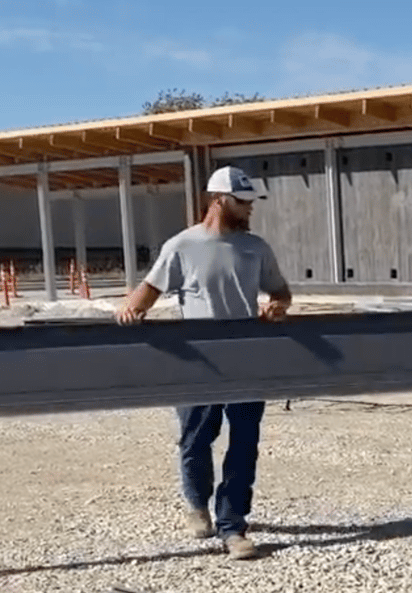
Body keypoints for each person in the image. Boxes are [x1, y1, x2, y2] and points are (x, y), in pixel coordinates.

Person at [115, 165, 293, 560]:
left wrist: (277, 305)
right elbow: (150, 289)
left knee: (245, 442)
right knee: (196, 437)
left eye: (250, 202)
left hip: (246, 358)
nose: (250, 208)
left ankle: (233, 525)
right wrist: (131, 312)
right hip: (197, 360)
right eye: (242, 201)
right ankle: (197, 504)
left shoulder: (255, 248)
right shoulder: (181, 245)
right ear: (218, 201)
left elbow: (281, 291)